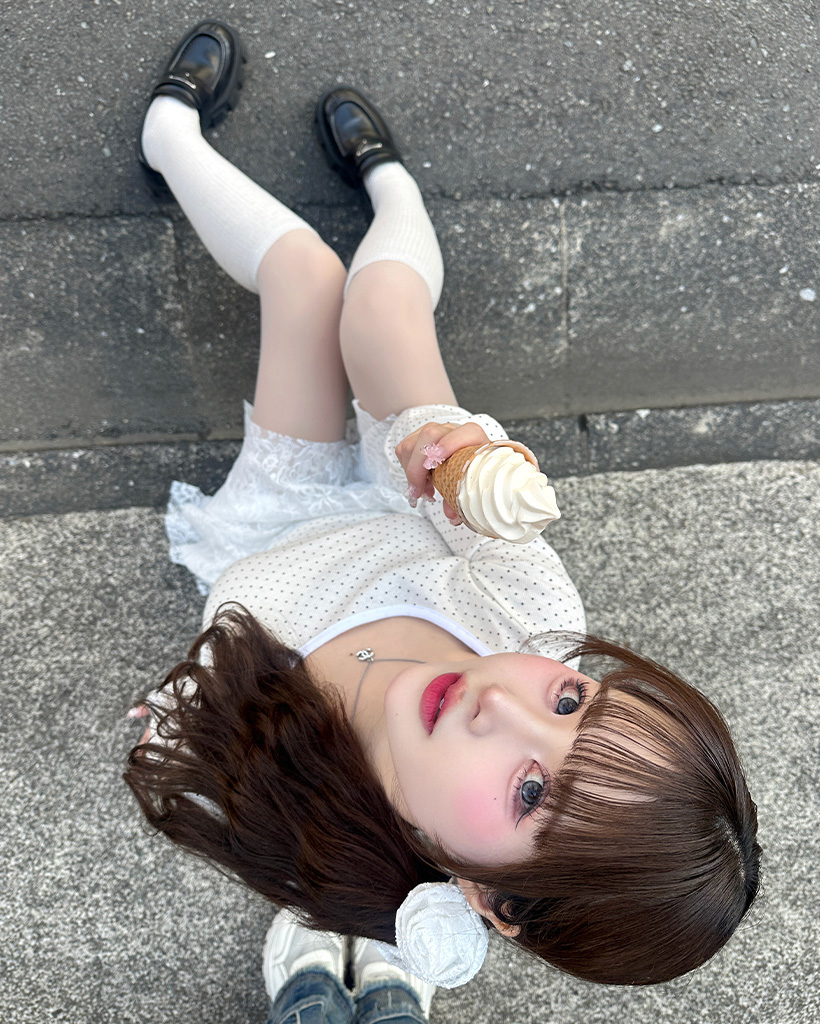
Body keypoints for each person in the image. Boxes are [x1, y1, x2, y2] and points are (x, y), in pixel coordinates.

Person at [125, 20, 761, 1022]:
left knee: (305, 279)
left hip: (273, 532)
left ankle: (169, 139)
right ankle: (392, 188)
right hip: (403, 503)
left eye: (530, 792)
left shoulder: (317, 822)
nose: (500, 701)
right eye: (572, 703)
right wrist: (461, 457)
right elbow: (478, 506)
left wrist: (178, 712)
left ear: (492, 903)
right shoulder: (530, 615)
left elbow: (206, 727)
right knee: (375, 301)